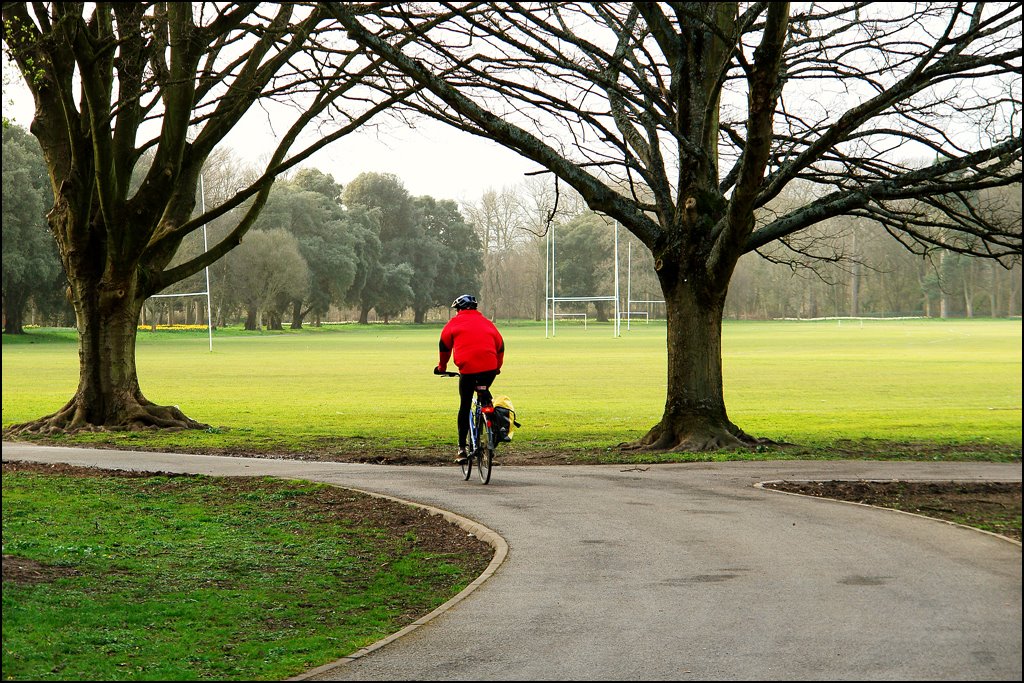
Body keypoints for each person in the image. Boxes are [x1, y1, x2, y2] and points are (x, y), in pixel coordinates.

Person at [434, 294, 505, 464]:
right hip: (489, 369)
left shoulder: (453, 324)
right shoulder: (488, 323)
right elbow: (500, 346)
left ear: (458, 310)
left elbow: (444, 346)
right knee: (485, 395)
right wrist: (497, 367)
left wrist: (441, 367)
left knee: (465, 405)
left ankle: (461, 449)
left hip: (468, 370)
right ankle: (492, 441)